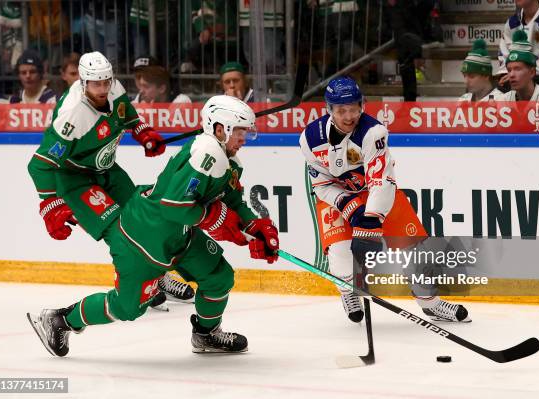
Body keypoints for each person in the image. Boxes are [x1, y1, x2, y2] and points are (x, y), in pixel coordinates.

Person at [26, 95, 280, 356]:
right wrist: (214, 217)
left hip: (178, 235)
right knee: (126, 308)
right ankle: (60, 321)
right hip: (144, 238)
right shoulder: (207, 154)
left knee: (218, 277)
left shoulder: (228, 160)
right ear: (219, 129)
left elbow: (231, 198)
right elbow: (173, 204)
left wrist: (254, 226)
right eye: (239, 131)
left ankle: (206, 334)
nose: (244, 138)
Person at [26, 51, 194, 305]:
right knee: (117, 230)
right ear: (83, 83)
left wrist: (142, 132)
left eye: (106, 81)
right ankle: (131, 286)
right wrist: (50, 204)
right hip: (75, 179)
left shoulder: (114, 88)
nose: (103, 88)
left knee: (143, 216)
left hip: (106, 169)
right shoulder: (73, 115)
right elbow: (38, 166)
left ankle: (158, 278)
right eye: (96, 83)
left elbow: (127, 116)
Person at [299, 76, 471, 323]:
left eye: (354, 108)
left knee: (414, 252)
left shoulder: (373, 132)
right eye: (341, 110)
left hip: (377, 193)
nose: (349, 116)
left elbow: (380, 181)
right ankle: (348, 291)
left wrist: (370, 220)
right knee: (340, 255)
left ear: (362, 105)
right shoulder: (310, 139)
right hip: (335, 196)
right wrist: (349, 208)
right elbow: (322, 184)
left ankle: (430, 302)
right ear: (329, 110)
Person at [496, 0, 539, 87]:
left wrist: (524, 74)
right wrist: (507, 72)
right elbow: (504, 53)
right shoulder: (512, 22)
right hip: (514, 76)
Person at [501, 31, 539, 101]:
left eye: (517, 69)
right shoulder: (503, 101)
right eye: (509, 70)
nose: (511, 75)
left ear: (532, 72)